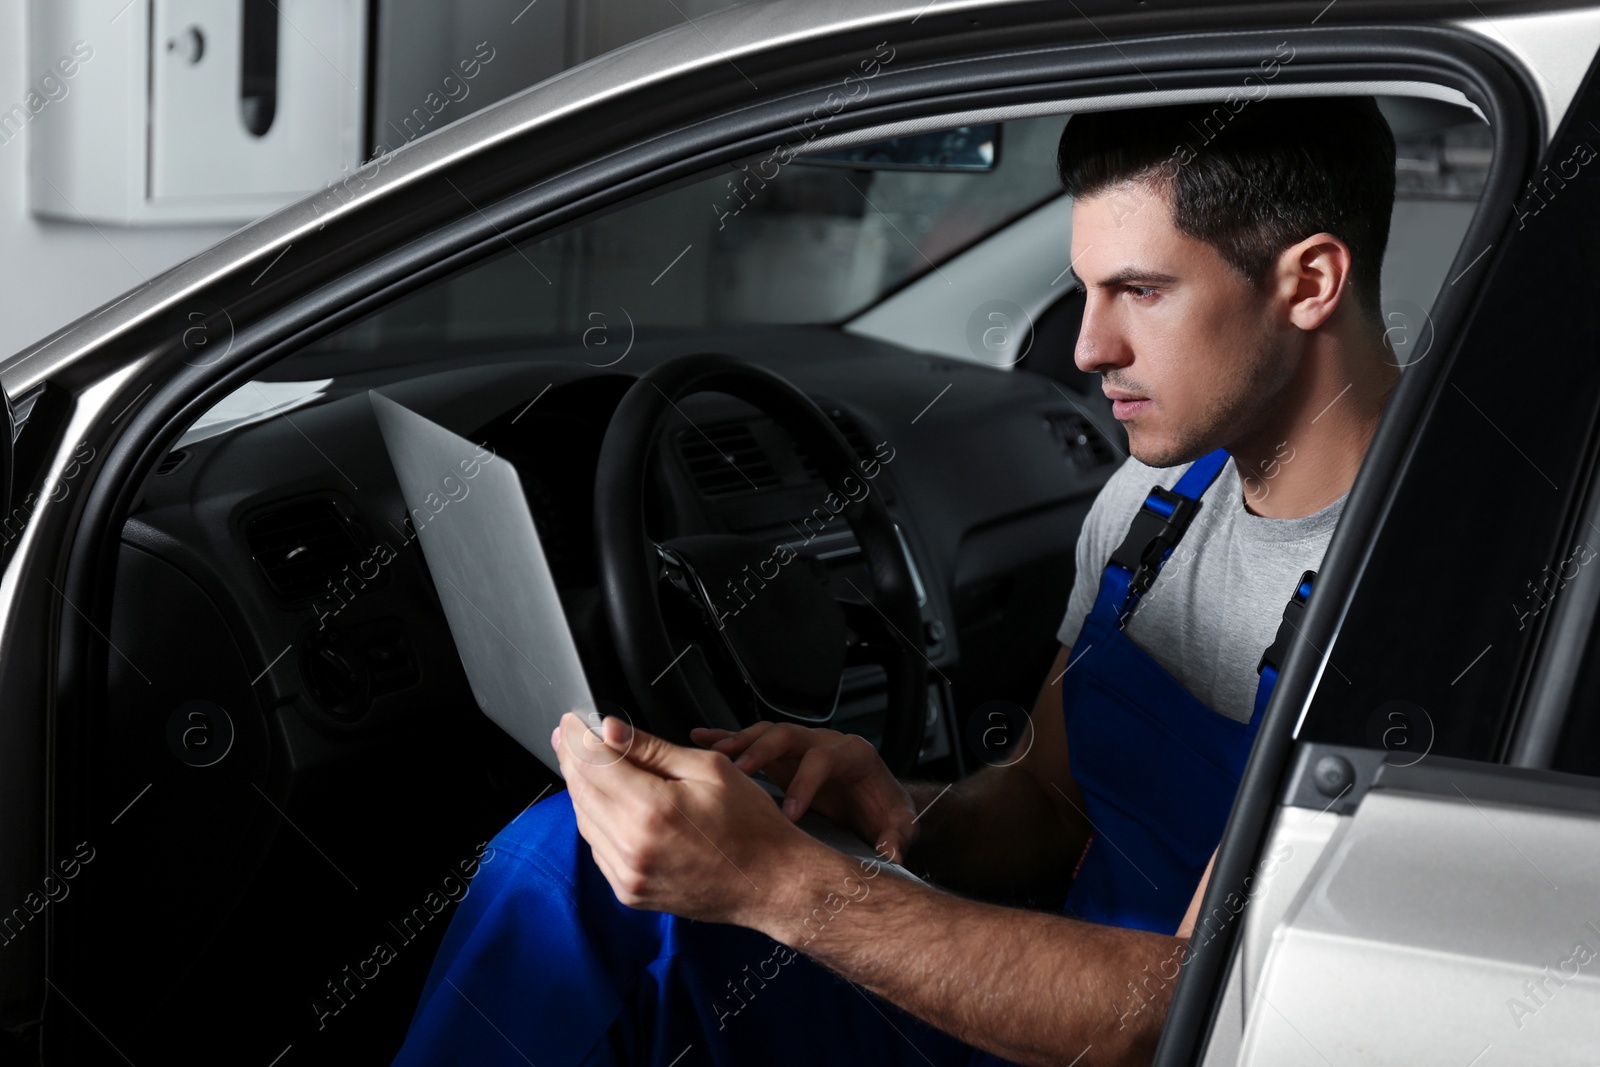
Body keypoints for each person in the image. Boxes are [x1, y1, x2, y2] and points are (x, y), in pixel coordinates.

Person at [389, 95, 1400, 1067]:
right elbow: (1050, 802)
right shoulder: (1158, 504)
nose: (1089, 346)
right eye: (1085, 291)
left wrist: (783, 879)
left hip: (1134, 1030)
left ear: (1307, 282)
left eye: (1140, 291)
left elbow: (1187, 1014)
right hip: (1039, 1002)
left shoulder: (1411, 593)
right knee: (573, 856)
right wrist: (892, 822)